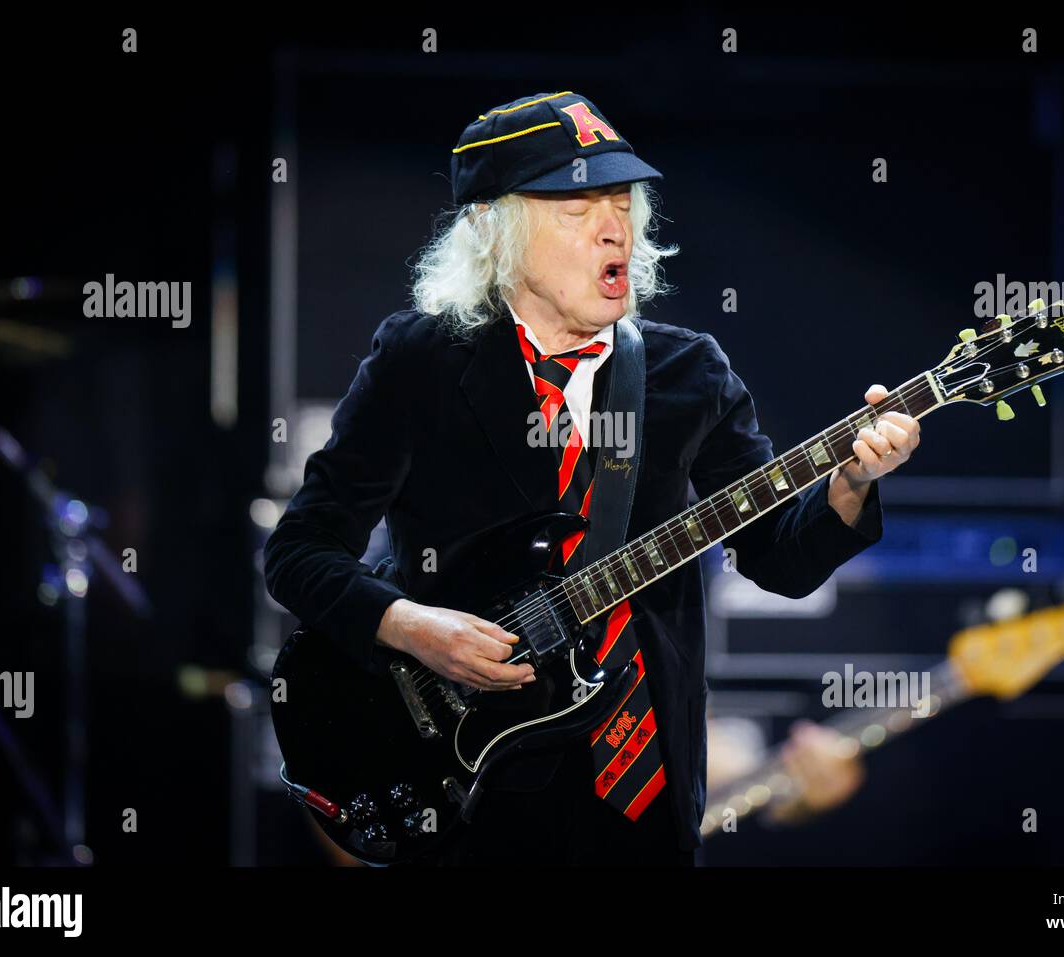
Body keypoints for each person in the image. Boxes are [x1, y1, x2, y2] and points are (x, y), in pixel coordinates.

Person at [263, 91, 921, 867]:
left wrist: (848, 485)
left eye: (622, 201)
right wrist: (411, 627)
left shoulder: (688, 372)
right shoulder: (422, 360)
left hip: (644, 799)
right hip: (467, 795)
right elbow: (300, 553)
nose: (615, 226)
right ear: (494, 229)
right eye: (577, 206)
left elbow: (778, 559)